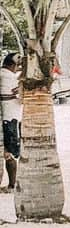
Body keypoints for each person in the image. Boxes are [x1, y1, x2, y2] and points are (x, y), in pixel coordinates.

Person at [1, 52, 21, 192]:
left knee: (8, 152)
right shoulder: (9, 76)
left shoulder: (4, 74)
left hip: (7, 117)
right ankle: (12, 185)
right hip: (10, 118)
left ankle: (11, 184)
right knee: (11, 153)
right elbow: (20, 95)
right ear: (12, 65)